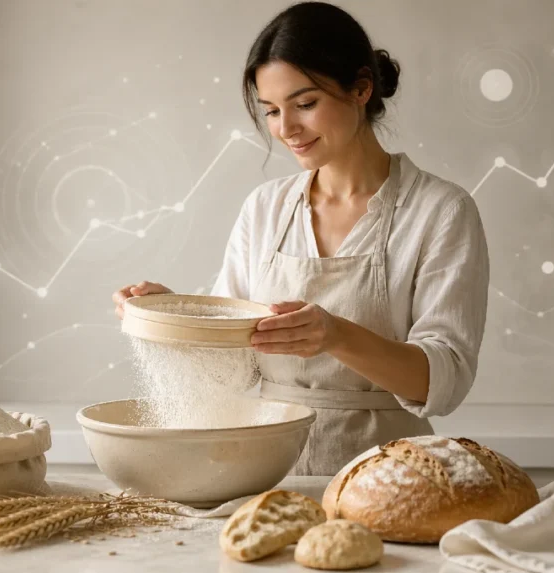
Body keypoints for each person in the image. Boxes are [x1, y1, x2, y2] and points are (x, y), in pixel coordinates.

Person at [113, 1, 489, 476]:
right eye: (271, 111)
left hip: (389, 472)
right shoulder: (265, 208)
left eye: (305, 104)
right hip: (266, 468)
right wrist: (173, 315)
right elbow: (235, 367)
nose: (285, 129)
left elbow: (444, 381)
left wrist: (336, 335)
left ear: (361, 88)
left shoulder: (441, 211)